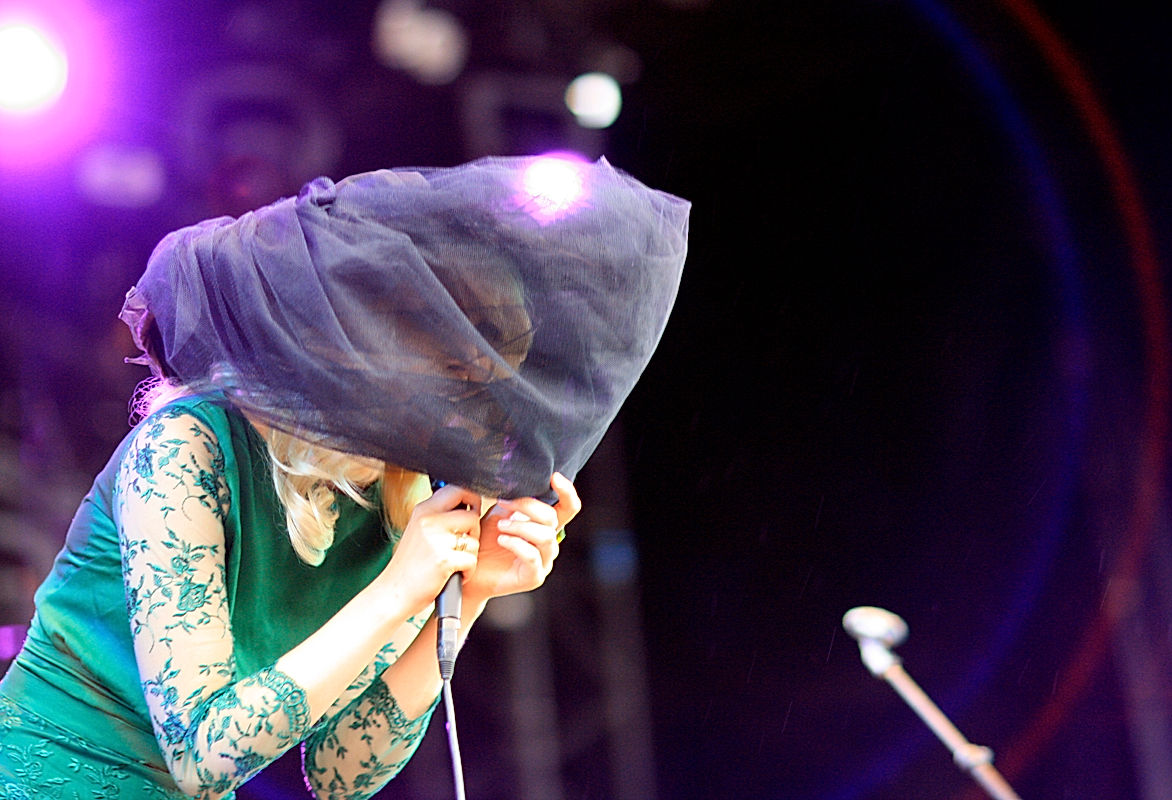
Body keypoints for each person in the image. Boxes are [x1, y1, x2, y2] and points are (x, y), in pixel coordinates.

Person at [0, 155, 690, 799]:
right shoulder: (187, 446)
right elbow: (202, 750)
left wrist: (472, 592)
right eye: (455, 370)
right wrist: (399, 588)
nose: (475, 402)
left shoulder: (402, 497)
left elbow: (339, 774)